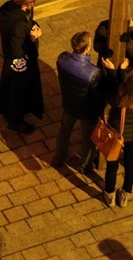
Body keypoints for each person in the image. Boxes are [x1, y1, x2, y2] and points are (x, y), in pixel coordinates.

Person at [52, 31, 108, 174]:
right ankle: (85, 165)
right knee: (88, 138)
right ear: (87, 48)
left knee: (64, 130)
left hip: (69, 104)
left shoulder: (62, 59)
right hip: (86, 110)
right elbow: (99, 95)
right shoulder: (93, 73)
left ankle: (59, 157)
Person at [0, 0, 44, 134]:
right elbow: (17, 49)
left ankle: (8, 111)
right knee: (18, 91)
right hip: (20, 62)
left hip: (11, 61)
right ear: (24, 5)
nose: (34, 3)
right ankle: (15, 121)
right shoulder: (19, 24)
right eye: (32, 1)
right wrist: (33, 38)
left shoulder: (8, 11)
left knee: (11, 88)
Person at [103, 71, 133, 208]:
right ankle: (125, 193)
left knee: (112, 165)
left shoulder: (118, 100)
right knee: (130, 164)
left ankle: (109, 194)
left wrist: (114, 72)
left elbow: (112, 88)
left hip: (117, 134)